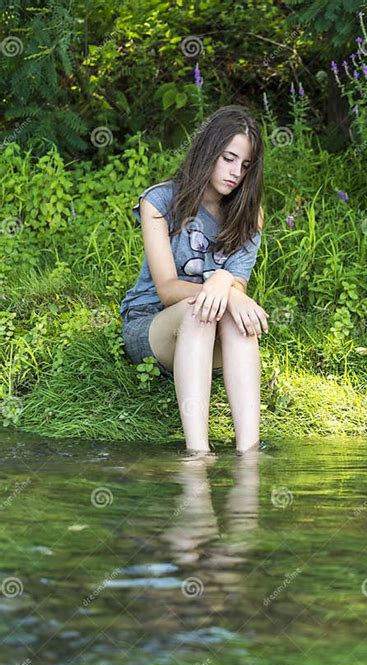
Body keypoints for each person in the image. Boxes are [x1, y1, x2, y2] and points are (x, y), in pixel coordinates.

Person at [120, 105, 269, 457]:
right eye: (228, 158)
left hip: (211, 335)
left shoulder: (249, 215)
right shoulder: (159, 202)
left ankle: (249, 451)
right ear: (208, 151)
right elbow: (168, 288)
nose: (235, 173)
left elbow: (237, 288)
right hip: (153, 325)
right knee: (198, 310)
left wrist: (226, 286)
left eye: (244, 165)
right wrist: (221, 283)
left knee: (233, 319)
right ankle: (197, 455)